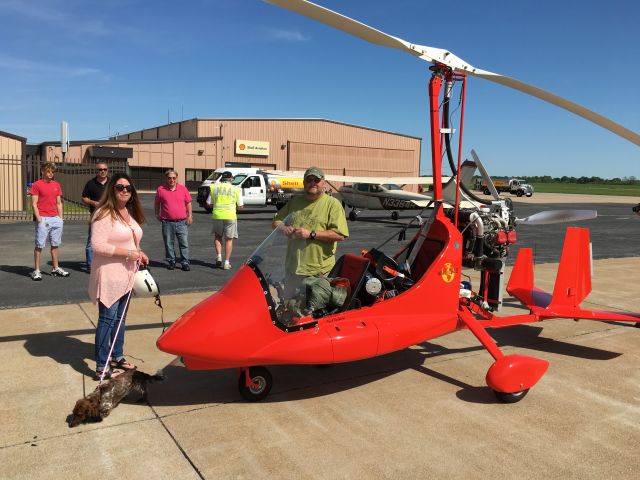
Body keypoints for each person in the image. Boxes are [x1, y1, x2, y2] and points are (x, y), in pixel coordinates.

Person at [88, 173, 149, 380]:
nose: (124, 190)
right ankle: (102, 365)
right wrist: (130, 254)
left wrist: (139, 252)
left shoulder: (127, 213)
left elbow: (131, 241)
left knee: (120, 319)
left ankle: (117, 355)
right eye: (120, 187)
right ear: (112, 189)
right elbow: (97, 245)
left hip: (127, 275)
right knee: (107, 319)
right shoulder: (104, 213)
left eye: (128, 188)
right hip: (110, 275)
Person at [272, 166, 349, 282]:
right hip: (293, 270)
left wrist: (311, 234)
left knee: (316, 300)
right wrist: (283, 228)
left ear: (323, 182)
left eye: (316, 180)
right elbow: (276, 221)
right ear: (303, 183)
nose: (313, 183)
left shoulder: (333, 204)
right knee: (290, 301)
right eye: (309, 180)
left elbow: (340, 235)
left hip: (319, 273)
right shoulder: (295, 202)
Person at [30, 162, 70, 281]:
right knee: (39, 245)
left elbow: (59, 203)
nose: (50, 174)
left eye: (52, 172)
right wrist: (39, 219)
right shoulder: (37, 185)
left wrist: (60, 218)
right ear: (42, 171)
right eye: (48, 171)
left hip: (55, 219)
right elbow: (34, 203)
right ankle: (37, 270)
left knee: (55, 244)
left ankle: (55, 268)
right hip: (43, 218)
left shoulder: (56, 185)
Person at [154, 169, 193, 271]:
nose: (172, 180)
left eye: (174, 178)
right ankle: (171, 261)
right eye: (169, 178)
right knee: (168, 243)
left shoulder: (183, 189)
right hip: (167, 222)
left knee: (184, 243)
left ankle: (185, 262)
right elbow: (157, 203)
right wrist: (156, 213)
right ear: (166, 179)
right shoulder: (161, 190)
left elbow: (188, 203)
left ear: (177, 178)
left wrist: (190, 216)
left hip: (182, 222)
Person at [206, 171, 243, 269]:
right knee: (229, 239)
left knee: (218, 236)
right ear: (231, 179)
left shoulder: (214, 187)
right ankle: (226, 262)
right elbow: (241, 206)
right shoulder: (236, 189)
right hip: (230, 216)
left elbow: (208, 203)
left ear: (222, 178)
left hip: (217, 215)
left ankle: (218, 256)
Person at [81, 162, 110, 272]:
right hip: (96, 216)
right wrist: (93, 203)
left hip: (110, 216)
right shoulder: (90, 183)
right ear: (97, 171)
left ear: (107, 170)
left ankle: (106, 263)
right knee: (92, 241)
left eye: (105, 169)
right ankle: (90, 265)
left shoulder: (112, 183)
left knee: (109, 240)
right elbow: (84, 198)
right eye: (100, 169)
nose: (102, 171)